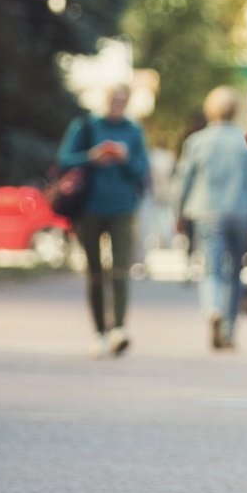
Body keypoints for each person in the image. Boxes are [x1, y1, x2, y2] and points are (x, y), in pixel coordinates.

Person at [56, 84, 149, 358]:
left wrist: (125, 158)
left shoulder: (133, 131)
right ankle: (100, 333)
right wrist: (91, 157)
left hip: (123, 208)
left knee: (120, 271)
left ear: (128, 101)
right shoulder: (85, 126)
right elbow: (63, 160)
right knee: (95, 274)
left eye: (123, 99)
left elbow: (141, 170)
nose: (117, 104)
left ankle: (119, 329)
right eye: (113, 99)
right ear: (105, 99)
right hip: (89, 209)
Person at [173, 86, 247, 350]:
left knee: (211, 269)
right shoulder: (246, 140)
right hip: (241, 212)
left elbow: (183, 180)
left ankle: (213, 309)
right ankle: (228, 329)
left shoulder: (197, 141)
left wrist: (178, 212)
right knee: (236, 272)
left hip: (206, 213)